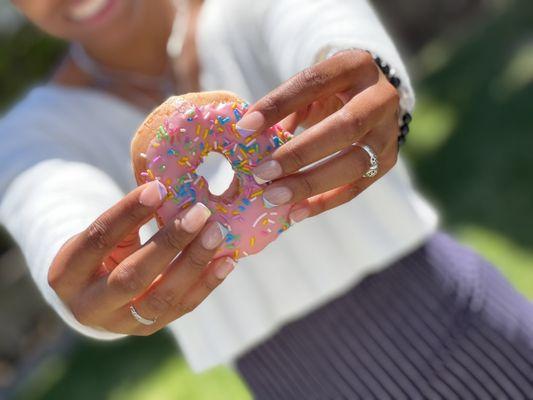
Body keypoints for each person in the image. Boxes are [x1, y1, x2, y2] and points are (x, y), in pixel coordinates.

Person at [1, 0, 532, 398]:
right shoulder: (34, 133)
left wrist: (367, 74)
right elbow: (46, 203)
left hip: (461, 318)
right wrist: (81, 289)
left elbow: (321, 22)